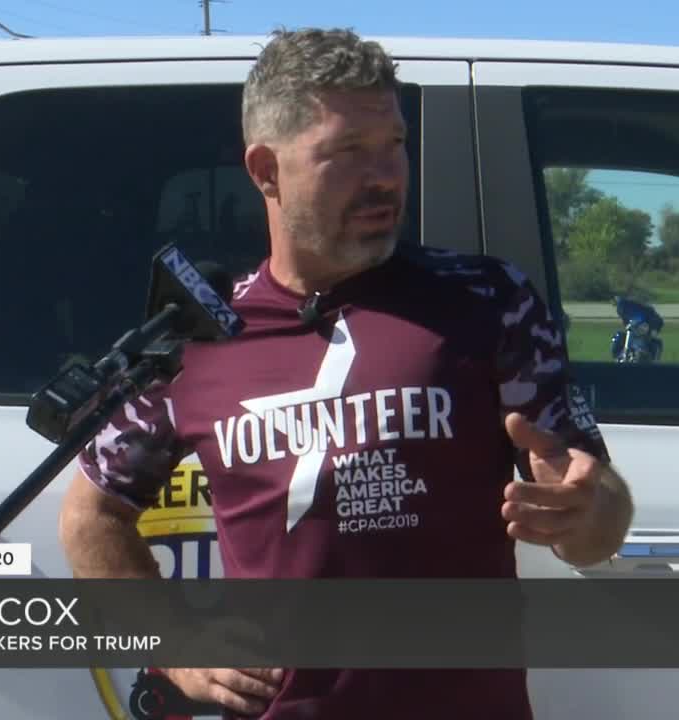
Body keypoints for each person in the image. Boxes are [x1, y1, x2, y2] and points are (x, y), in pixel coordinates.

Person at [58, 26, 634, 720]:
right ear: (267, 170)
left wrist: (588, 511)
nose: (385, 175)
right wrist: (175, 645)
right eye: (347, 153)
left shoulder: (488, 301)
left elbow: (594, 514)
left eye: (393, 144)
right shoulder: (199, 337)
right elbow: (92, 511)